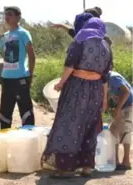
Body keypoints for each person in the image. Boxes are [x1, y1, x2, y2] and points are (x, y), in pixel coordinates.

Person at [41, 17, 113, 178]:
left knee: (69, 125)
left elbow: (70, 66)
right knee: (89, 126)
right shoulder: (106, 45)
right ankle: (86, 166)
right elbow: (105, 75)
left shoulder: (80, 40)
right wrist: (104, 98)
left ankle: (66, 168)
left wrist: (60, 84)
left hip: (77, 87)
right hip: (96, 90)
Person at [0, 6, 36, 129]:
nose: (7, 17)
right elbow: (4, 56)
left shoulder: (23, 33)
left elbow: (31, 55)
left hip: (20, 78)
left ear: (18, 16)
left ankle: (29, 139)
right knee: (5, 113)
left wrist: (30, 74)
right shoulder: (4, 36)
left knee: (26, 113)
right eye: (6, 14)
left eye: (10, 14)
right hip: (6, 79)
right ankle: (5, 142)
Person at [106, 71, 133, 170]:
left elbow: (127, 91)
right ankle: (115, 160)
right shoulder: (101, 78)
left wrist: (117, 109)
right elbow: (108, 96)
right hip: (118, 106)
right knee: (113, 130)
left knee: (125, 130)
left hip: (129, 105)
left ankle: (126, 162)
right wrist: (110, 109)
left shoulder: (113, 77)